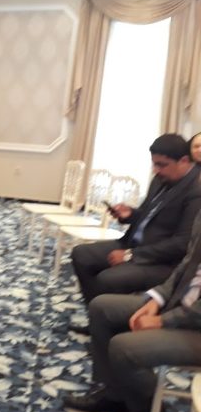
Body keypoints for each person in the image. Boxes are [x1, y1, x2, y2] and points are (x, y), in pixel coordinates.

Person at [63, 212, 201, 412]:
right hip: (181, 303)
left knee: (125, 348)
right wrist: (157, 299)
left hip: (195, 327)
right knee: (102, 308)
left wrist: (164, 320)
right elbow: (188, 263)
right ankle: (115, 395)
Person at [69, 134, 201, 332]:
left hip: (163, 262)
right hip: (134, 244)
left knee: (109, 278)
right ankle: (98, 320)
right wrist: (130, 214)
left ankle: (114, 327)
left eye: (162, 165)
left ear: (183, 161)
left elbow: (182, 244)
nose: (156, 170)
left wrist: (131, 255)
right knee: (81, 254)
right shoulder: (160, 179)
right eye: (154, 164)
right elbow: (148, 215)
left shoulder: (196, 190)